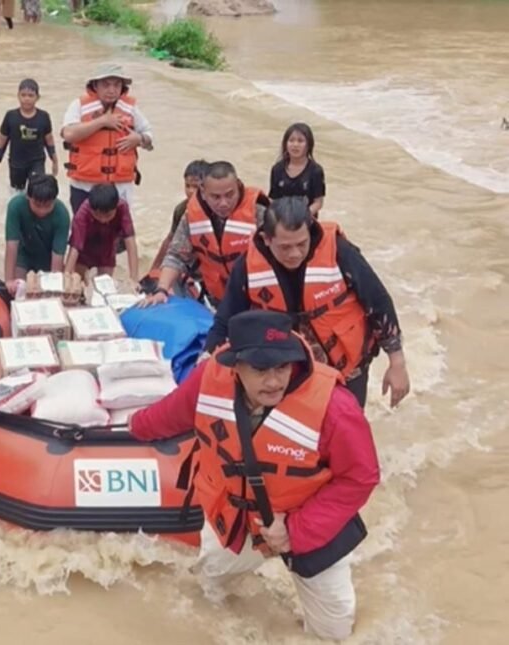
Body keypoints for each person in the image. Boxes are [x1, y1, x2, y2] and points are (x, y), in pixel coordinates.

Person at [129, 310, 380, 640]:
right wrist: (128, 426)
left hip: (311, 530)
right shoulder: (209, 378)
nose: (274, 380)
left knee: (333, 633)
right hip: (238, 522)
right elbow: (165, 417)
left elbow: (361, 477)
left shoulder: (336, 408)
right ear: (236, 366)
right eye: (261, 369)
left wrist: (294, 530)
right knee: (209, 587)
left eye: (282, 367)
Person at [204, 197, 410, 407]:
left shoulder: (339, 251)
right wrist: (208, 367)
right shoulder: (247, 266)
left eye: (302, 244)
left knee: (346, 428)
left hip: (347, 370)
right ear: (266, 239)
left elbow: (378, 301)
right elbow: (225, 321)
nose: (295, 254)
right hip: (284, 375)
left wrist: (397, 363)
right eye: (285, 247)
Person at [142, 161, 269, 308]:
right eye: (215, 197)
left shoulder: (260, 213)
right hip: (219, 297)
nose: (223, 203)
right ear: (202, 192)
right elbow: (176, 256)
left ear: (238, 186)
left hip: (256, 300)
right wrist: (162, 290)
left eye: (229, 195)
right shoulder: (191, 215)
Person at [61, 63, 154, 214]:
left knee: (120, 234)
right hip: (84, 185)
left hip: (120, 186)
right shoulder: (78, 105)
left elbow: (149, 137)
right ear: (95, 85)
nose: (112, 90)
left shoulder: (131, 109)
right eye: (106, 85)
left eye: (117, 85)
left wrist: (139, 139)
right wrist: (102, 121)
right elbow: (68, 134)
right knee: (83, 232)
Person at [3, 174, 70, 293]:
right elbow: (12, 245)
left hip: (47, 257)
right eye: (37, 205)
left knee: (49, 291)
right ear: (28, 197)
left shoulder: (62, 215)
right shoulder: (16, 206)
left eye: (47, 206)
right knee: (18, 290)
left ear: (54, 200)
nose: (42, 210)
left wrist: (54, 284)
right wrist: (9, 280)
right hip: (23, 254)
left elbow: (58, 256)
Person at [64, 183, 138, 285]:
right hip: (84, 251)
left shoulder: (122, 207)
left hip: (107, 251)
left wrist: (134, 279)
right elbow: (75, 247)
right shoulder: (82, 213)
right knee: (78, 284)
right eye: (97, 215)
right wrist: (66, 276)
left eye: (108, 215)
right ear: (91, 208)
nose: (103, 220)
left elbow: (130, 241)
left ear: (116, 207)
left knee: (105, 285)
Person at [0, 79, 58, 192]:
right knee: (17, 192)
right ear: (18, 96)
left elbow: (49, 139)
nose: (27, 98)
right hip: (16, 162)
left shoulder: (43, 116)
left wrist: (54, 160)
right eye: (23, 95)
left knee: (37, 190)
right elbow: (2, 139)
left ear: (37, 97)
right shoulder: (11, 116)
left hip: (37, 161)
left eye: (31, 95)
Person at [150, 159, 209, 271]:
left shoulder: (217, 209)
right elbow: (170, 240)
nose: (190, 191)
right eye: (187, 186)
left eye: (195, 187)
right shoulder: (181, 209)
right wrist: (154, 269)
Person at [269, 123, 326, 218]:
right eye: (291, 140)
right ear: (285, 144)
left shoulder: (315, 171)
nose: (295, 145)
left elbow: (318, 203)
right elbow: (273, 199)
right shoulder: (277, 169)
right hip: (281, 220)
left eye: (300, 141)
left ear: (309, 145)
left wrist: (302, 217)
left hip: (306, 221)